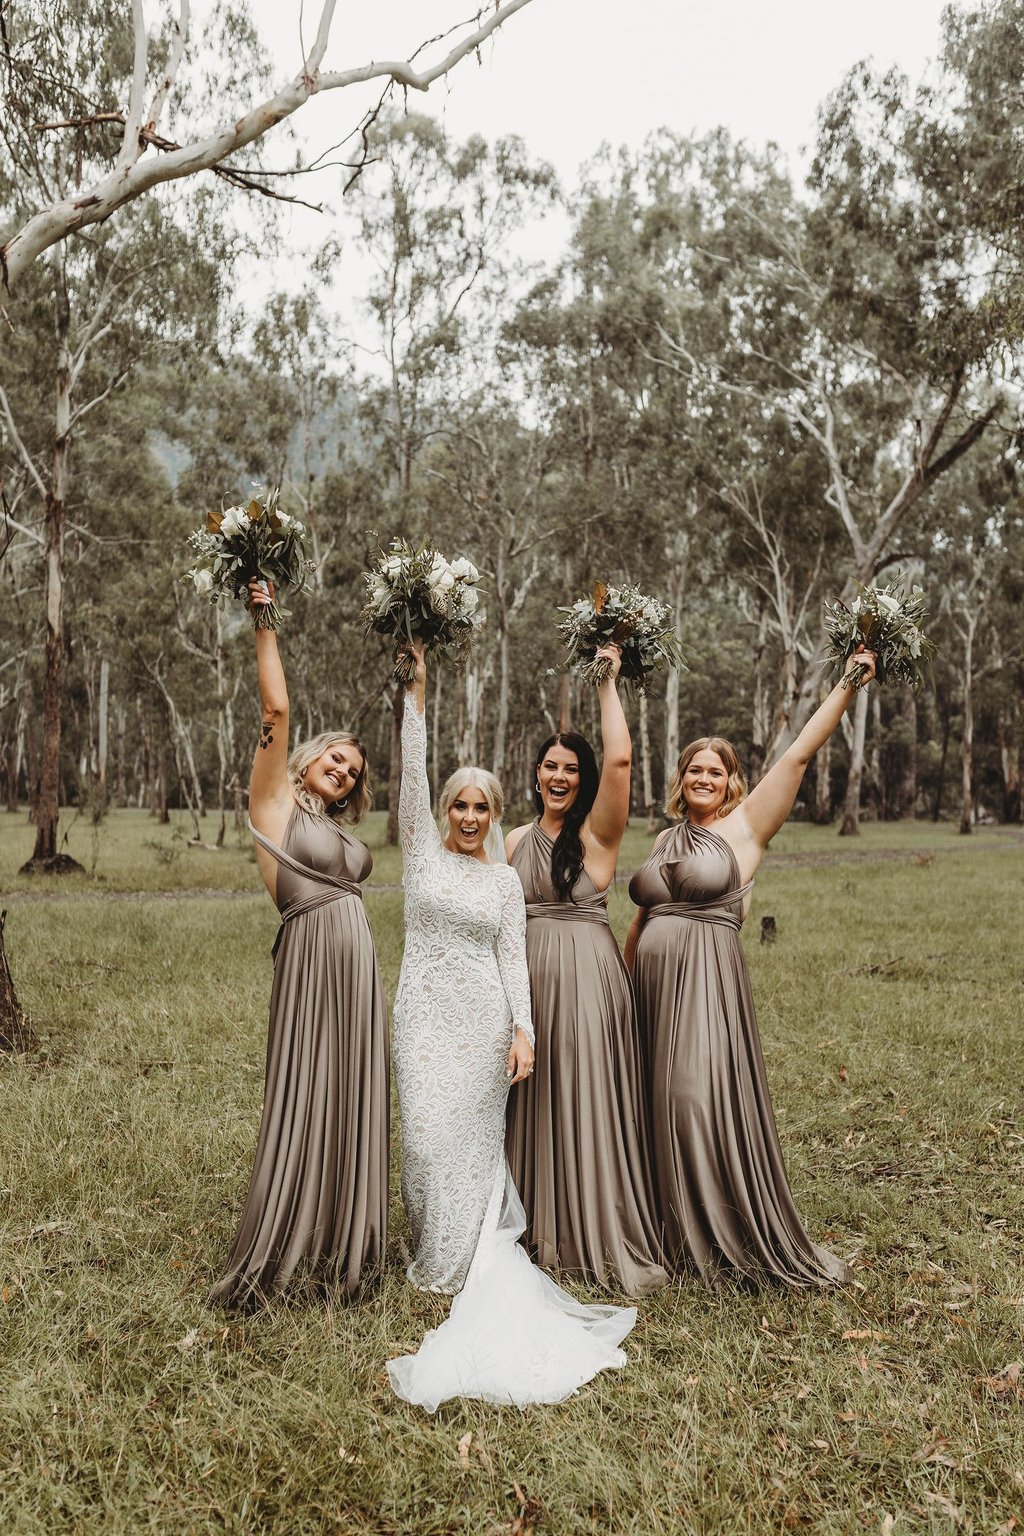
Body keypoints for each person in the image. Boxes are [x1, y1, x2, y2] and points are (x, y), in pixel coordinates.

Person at [387, 642, 637, 1412]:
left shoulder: (504, 878)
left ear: (494, 814)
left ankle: (460, 1260)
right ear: (445, 811)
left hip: (486, 1020)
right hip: (421, 1019)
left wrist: (523, 1028)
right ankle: (431, 1245)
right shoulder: (421, 857)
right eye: (459, 805)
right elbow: (411, 780)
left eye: (480, 808)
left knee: (472, 1143)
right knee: (422, 1140)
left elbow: (512, 957)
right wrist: (416, 697)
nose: (468, 816)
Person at [625, 646, 878, 1289]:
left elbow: (798, 754)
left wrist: (848, 683)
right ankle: (668, 1234)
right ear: (681, 778)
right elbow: (643, 915)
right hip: (650, 987)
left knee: (691, 1096)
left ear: (732, 781)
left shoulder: (746, 827)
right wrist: (622, 981)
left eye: (715, 771)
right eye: (694, 770)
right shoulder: (664, 839)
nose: (703, 778)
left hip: (706, 983)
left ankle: (720, 1232)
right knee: (650, 1101)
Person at [207, 580, 389, 1309]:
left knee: (350, 1090)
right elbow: (275, 709)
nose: (342, 771)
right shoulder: (273, 800)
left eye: (352, 772)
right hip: (311, 960)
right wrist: (265, 621)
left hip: (357, 967)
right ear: (310, 758)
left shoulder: (338, 828)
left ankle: (345, 1238)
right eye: (335, 759)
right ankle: (289, 1232)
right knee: (307, 1087)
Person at [504, 644, 667, 1296]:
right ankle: (532, 1227)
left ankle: (592, 1226)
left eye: (571, 769)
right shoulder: (513, 840)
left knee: (584, 1095)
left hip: (585, 980)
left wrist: (606, 682)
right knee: (531, 1100)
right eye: (550, 765)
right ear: (535, 774)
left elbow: (621, 758)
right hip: (526, 984)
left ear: (584, 779)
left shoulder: (597, 835)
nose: (559, 776)